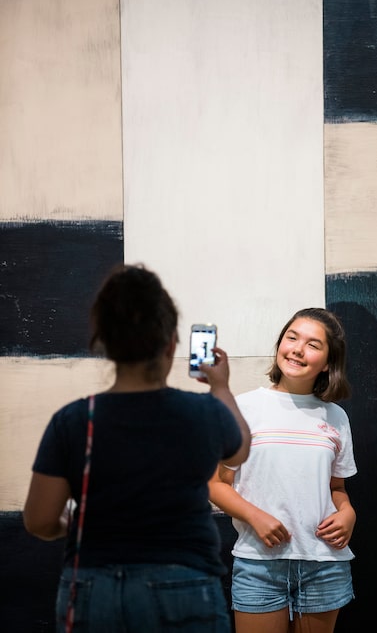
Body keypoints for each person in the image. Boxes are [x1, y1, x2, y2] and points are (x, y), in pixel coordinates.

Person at [23, 262, 251, 633]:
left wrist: (80, 525)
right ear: (171, 342)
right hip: (185, 585)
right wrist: (220, 387)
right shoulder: (204, 412)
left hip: (93, 589)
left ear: (105, 344)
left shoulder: (74, 420)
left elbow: (40, 520)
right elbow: (239, 451)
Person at [208, 308, 357, 633]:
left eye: (313, 344)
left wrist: (348, 514)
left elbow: (337, 488)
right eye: (292, 337)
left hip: (325, 564)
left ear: (329, 362)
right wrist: (255, 517)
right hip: (259, 564)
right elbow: (217, 484)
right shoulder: (244, 407)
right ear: (280, 345)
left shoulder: (336, 417)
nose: (298, 349)